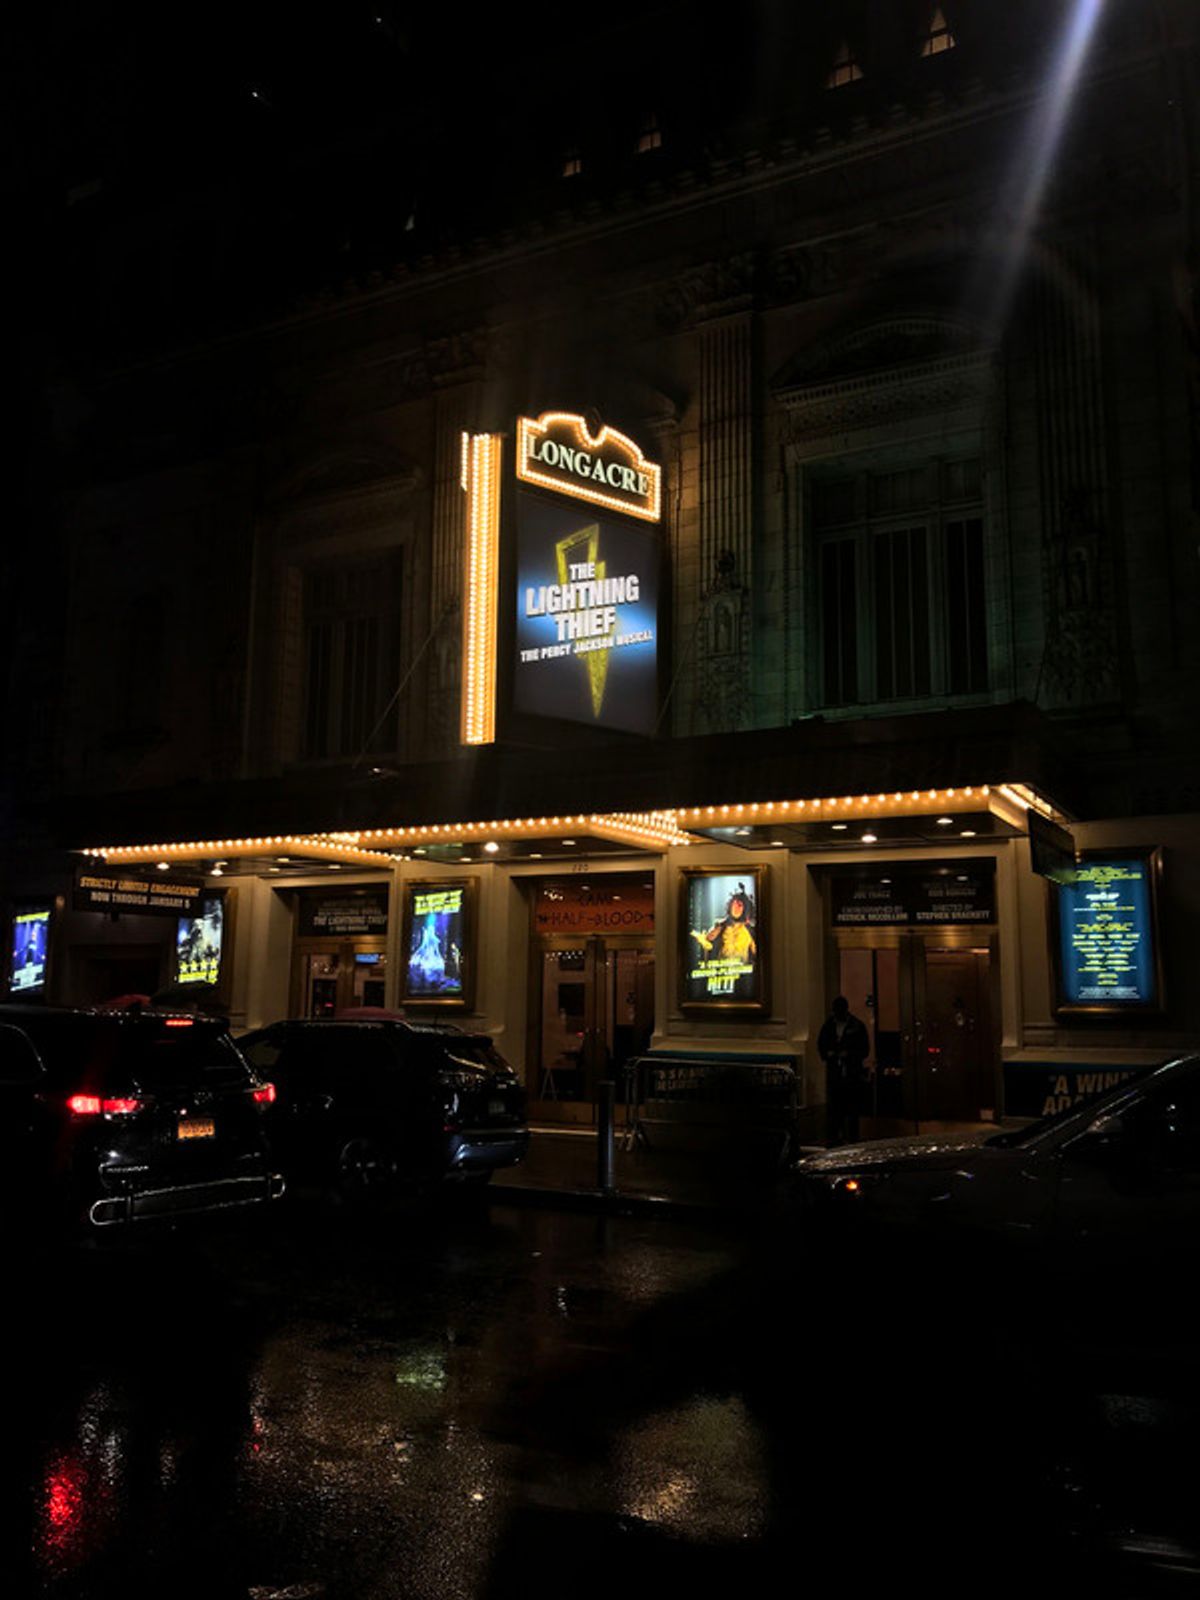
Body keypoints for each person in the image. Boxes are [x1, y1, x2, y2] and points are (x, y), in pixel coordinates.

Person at [818, 995, 871, 1146]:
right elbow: (821, 1044)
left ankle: (849, 1136)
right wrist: (829, 1054)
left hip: (850, 1071)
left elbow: (864, 1049)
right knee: (837, 1105)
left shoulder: (837, 1025)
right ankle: (838, 1136)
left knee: (850, 1105)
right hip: (837, 1071)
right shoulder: (852, 1025)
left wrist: (847, 1054)